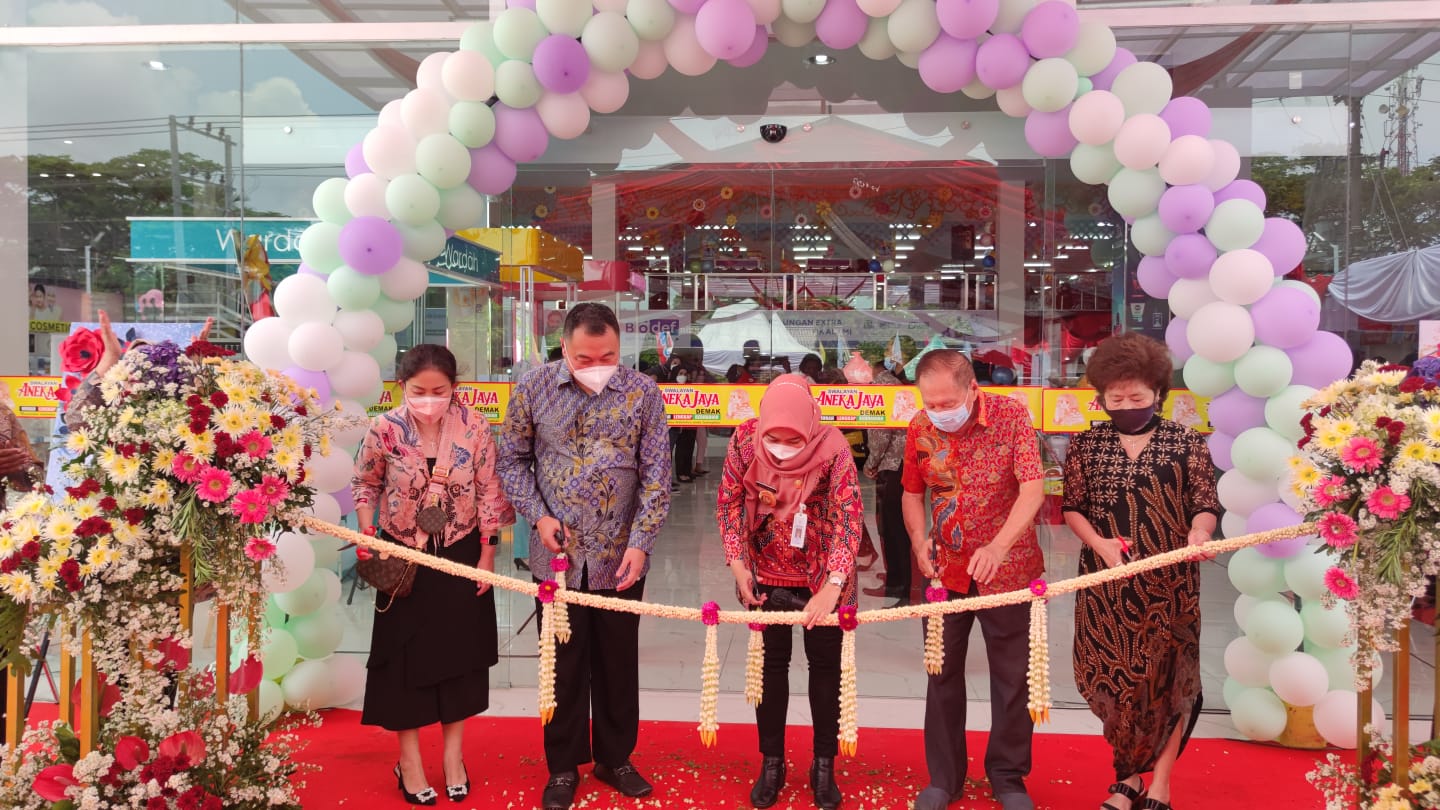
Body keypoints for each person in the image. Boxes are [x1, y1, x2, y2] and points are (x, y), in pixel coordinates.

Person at [496, 302, 671, 810]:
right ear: (564, 348)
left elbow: (657, 474)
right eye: (584, 358)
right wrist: (537, 516)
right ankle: (563, 765)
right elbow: (512, 461)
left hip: (621, 554)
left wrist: (641, 541)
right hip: (558, 555)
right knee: (562, 663)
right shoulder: (533, 388)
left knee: (617, 660)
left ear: (620, 347)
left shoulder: (642, 392)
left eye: (608, 356)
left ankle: (616, 758)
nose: (597, 366)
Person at [351, 344, 515, 806]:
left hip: (461, 554)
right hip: (402, 556)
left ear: (454, 388)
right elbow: (364, 483)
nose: (429, 399)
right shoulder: (384, 428)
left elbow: (491, 493)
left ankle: (453, 758)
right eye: (418, 391)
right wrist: (367, 530)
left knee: (460, 658)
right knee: (402, 662)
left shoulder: (474, 427)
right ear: (402, 387)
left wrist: (488, 556)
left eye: (439, 391)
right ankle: (409, 762)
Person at [1061, 333, 1218, 810]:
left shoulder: (1185, 442)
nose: (1127, 405)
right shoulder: (1087, 445)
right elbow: (1073, 508)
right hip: (1104, 586)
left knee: (1171, 685)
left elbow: (1205, 504)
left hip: (1169, 588)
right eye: (1116, 399)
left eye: (1137, 397)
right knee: (1110, 684)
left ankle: (1161, 783)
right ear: (1101, 397)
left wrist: (1200, 533)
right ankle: (1128, 776)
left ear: (1158, 392)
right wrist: (1099, 543)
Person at [902, 349, 1046, 810]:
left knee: (1013, 677)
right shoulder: (919, 427)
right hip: (944, 570)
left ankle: (1008, 776)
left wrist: (999, 546)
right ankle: (944, 778)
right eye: (930, 403)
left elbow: (1033, 488)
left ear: (972, 389)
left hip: (1010, 567)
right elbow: (911, 493)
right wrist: (918, 540)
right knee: (941, 672)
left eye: (947, 403)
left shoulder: (1010, 416)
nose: (939, 412)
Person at [718, 374, 861, 810]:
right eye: (773, 438)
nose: (781, 447)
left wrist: (833, 586)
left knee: (825, 669)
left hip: (824, 578)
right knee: (770, 668)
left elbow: (849, 517)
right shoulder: (745, 440)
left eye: (792, 439)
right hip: (764, 572)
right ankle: (772, 762)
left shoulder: (833, 448)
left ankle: (824, 765)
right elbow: (728, 502)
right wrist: (738, 565)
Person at [862, 362, 911, 607]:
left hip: (893, 466)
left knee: (895, 529)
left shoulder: (881, 387)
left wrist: (870, 463)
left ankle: (902, 588)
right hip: (898, 464)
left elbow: (880, 433)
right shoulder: (893, 383)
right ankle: (894, 582)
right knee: (892, 528)